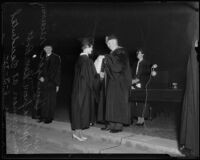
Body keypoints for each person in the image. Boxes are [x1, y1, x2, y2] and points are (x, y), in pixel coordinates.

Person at [101, 35, 132, 133]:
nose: (108, 45)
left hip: (120, 82)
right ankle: (111, 124)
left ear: (114, 42)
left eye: (109, 43)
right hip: (113, 81)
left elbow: (117, 67)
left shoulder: (121, 52)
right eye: (108, 44)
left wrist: (107, 58)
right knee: (111, 102)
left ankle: (118, 126)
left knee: (118, 103)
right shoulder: (113, 53)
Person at [71, 38, 99, 141]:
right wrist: (99, 76)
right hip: (84, 90)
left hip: (77, 89)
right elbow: (91, 77)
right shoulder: (87, 61)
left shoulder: (79, 59)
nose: (92, 49)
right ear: (87, 47)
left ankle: (77, 133)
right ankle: (78, 134)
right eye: (91, 47)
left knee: (78, 110)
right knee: (82, 110)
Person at [38, 45, 61, 124]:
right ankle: (42, 117)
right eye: (46, 49)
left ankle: (49, 118)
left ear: (51, 49)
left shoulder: (56, 57)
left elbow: (57, 71)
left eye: (49, 48)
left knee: (51, 101)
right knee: (43, 100)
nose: (47, 50)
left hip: (52, 83)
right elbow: (39, 69)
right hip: (43, 83)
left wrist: (57, 84)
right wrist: (40, 77)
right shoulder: (42, 58)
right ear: (44, 49)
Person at [131, 49, 151, 126]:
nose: (138, 55)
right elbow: (133, 73)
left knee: (141, 102)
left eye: (140, 53)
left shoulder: (146, 63)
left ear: (143, 54)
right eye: (137, 54)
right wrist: (132, 81)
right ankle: (138, 119)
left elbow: (146, 75)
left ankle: (141, 120)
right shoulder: (135, 63)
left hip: (142, 85)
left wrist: (139, 81)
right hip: (134, 84)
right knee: (135, 102)